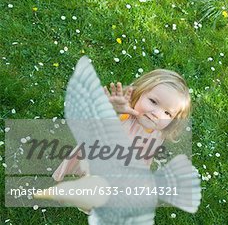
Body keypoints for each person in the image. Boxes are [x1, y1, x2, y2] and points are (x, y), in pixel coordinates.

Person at [52, 68, 191, 213]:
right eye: (153, 101)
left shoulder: (158, 133)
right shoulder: (124, 116)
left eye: (167, 113)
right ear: (139, 92)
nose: (157, 114)